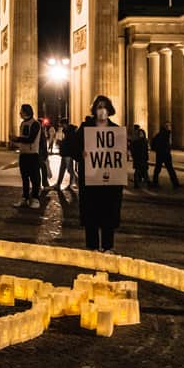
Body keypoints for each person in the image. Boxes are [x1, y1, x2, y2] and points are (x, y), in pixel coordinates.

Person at [77, 95, 123, 253]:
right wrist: (80, 152)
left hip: (110, 181)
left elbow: (120, 155)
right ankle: (92, 246)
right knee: (91, 212)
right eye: (99, 107)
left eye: (104, 107)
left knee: (108, 212)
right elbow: (69, 147)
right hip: (90, 178)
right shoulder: (85, 128)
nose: (102, 110)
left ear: (109, 110)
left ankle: (108, 246)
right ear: (95, 110)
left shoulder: (117, 131)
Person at [11, 104, 42, 209]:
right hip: (23, 154)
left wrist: (17, 139)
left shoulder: (35, 124)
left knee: (35, 178)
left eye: (21, 111)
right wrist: (16, 142)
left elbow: (31, 139)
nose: (19, 113)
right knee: (24, 178)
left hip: (33, 155)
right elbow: (24, 139)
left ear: (25, 112)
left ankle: (35, 199)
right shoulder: (23, 123)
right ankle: (25, 198)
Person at [150, 122, 179, 189]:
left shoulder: (160, 134)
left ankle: (155, 182)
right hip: (164, 154)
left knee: (159, 169)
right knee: (168, 169)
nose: (169, 127)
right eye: (168, 126)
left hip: (161, 154)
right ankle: (175, 183)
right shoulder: (164, 134)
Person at [54, 118, 79, 193]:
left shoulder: (70, 131)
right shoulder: (68, 130)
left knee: (70, 170)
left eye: (61, 124)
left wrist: (61, 142)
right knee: (62, 169)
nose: (61, 126)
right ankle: (58, 184)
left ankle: (78, 183)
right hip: (65, 153)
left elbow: (69, 142)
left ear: (65, 124)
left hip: (68, 153)